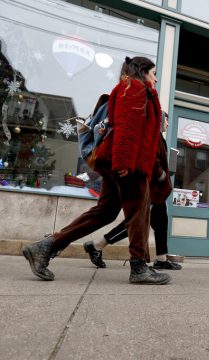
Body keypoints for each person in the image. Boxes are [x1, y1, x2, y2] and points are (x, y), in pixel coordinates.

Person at [22, 56, 170, 285]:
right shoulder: (136, 88)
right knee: (139, 212)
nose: (156, 78)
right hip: (128, 164)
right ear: (143, 71)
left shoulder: (130, 87)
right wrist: (123, 163)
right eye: (153, 73)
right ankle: (139, 267)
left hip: (117, 161)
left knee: (106, 212)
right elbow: (127, 129)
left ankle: (45, 247)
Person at [83, 112, 181, 270]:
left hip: (157, 190)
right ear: (160, 120)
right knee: (135, 223)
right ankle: (97, 245)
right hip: (151, 188)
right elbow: (151, 160)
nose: (167, 124)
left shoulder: (158, 137)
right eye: (166, 121)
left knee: (161, 221)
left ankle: (162, 258)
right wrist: (162, 175)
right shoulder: (153, 136)